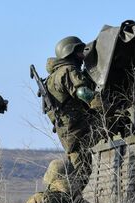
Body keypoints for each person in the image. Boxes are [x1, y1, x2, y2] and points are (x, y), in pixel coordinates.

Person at [46, 36, 100, 184]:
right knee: (81, 172)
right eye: (80, 51)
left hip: (68, 129)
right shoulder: (68, 70)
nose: (83, 55)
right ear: (71, 52)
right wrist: (102, 105)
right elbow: (82, 92)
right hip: (77, 128)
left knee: (78, 168)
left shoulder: (53, 76)